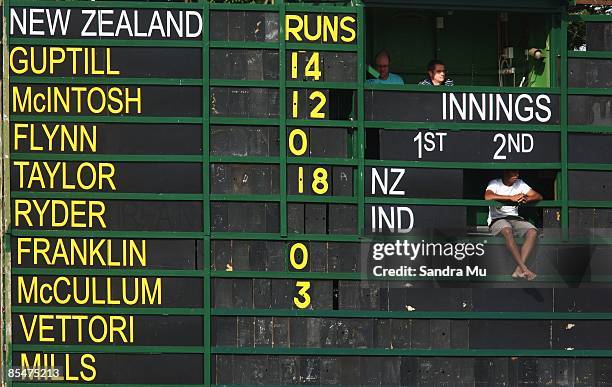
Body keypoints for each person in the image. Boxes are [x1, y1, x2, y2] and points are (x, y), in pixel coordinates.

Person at [484, 170, 543, 280]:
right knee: (507, 230)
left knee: (532, 231)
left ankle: (518, 270)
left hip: (515, 219)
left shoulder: (520, 183)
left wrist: (527, 198)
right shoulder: (495, 183)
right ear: (505, 174)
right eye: (513, 173)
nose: (517, 175)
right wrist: (510, 198)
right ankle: (524, 269)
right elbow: (488, 196)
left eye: (517, 173)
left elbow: (538, 196)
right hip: (497, 219)